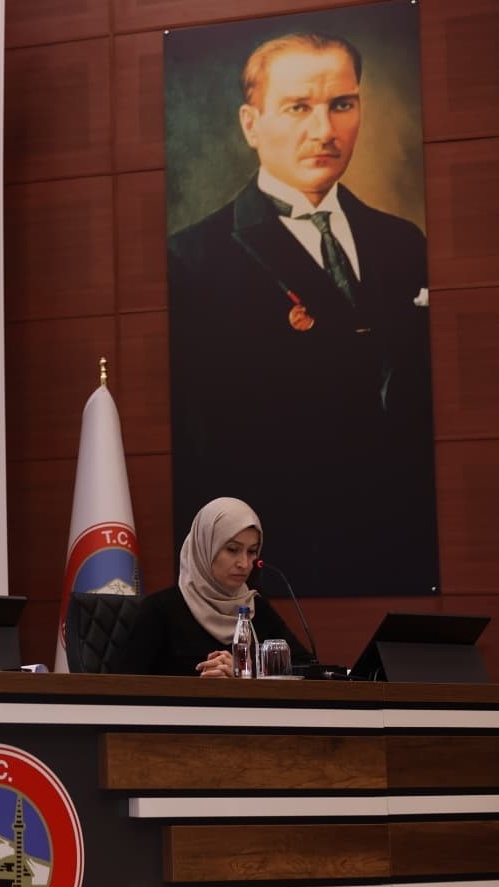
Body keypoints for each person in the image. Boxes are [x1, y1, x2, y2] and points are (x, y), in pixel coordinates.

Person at [166, 30, 437, 596]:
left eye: (342, 104)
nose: (325, 130)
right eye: (298, 107)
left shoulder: (403, 242)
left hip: (403, 545)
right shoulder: (194, 257)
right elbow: (204, 438)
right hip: (288, 558)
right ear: (251, 124)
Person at [113, 497, 309, 677]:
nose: (244, 563)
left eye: (252, 551)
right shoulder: (160, 610)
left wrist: (247, 673)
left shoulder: (256, 607)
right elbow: (123, 685)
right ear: (204, 547)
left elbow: (307, 668)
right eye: (232, 549)